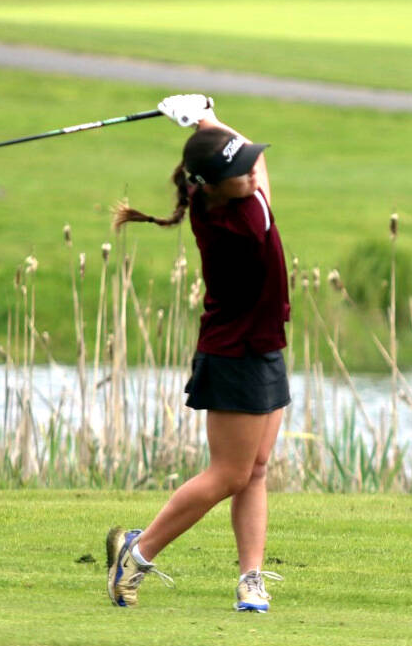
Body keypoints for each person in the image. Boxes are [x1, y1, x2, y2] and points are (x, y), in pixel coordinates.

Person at [105, 93, 290, 614]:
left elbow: (249, 160)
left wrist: (203, 121)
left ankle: (250, 579)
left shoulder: (219, 200)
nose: (252, 171)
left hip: (263, 345)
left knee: (254, 468)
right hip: (237, 356)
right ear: (211, 186)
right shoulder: (242, 224)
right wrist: (206, 118)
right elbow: (259, 171)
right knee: (230, 473)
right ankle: (136, 555)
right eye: (240, 170)